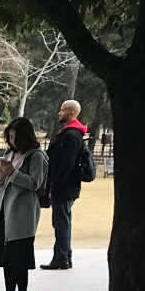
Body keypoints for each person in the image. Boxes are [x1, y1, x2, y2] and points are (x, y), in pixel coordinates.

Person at [0, 116, 45, 291]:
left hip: (23, 212)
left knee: (19, 254)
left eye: (15, 137)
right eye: (9, 137)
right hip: (5, 209)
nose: (12, 141)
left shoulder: (36, 156)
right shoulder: (10, 154)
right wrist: (2, 174)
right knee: (6, 254)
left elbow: (35, 183)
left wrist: (13, 173)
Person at [44, 99, 91, 270]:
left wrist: (55, 184)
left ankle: (61, 258)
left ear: (71, 113)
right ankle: (64, 256)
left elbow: (67, 164)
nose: (59, 112)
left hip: (65, 187)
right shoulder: (69, 133)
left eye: (62, 110)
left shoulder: (71, 135)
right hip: (65, 186)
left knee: (61, 222)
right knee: (63, 222)